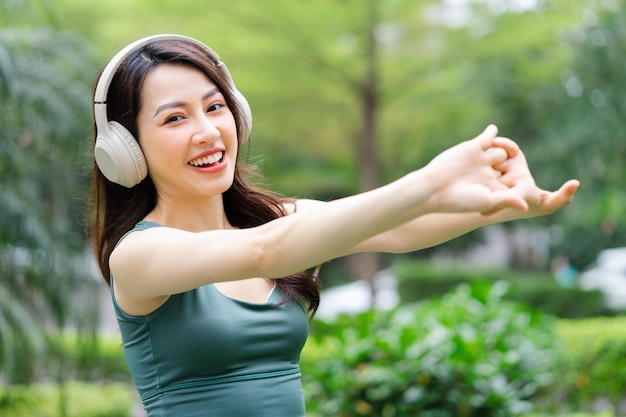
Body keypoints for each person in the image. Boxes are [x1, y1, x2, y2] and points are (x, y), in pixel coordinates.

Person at [87, 34, 579, 417]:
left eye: (215, 107)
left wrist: (504, 202)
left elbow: (399, 230)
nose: (207, 131)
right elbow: (266, 253)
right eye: (174, 119)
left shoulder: (280, 222)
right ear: (126, 151)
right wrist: (428, 182)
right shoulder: (138, 256)